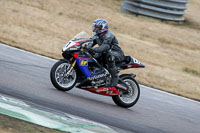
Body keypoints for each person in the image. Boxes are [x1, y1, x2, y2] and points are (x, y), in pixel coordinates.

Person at [87, 18, 125, 87]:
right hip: (105, 51)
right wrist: (85, 47)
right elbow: (91, 43)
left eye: (97, 28)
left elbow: (104, 47)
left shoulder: (108, 35)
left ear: (102, 28)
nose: (95, 29)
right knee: (93, 55)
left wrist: (93, 49)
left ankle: (115, 77)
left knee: (108, 54)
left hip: (117, 54)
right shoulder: (97, 35)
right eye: (95, 27)